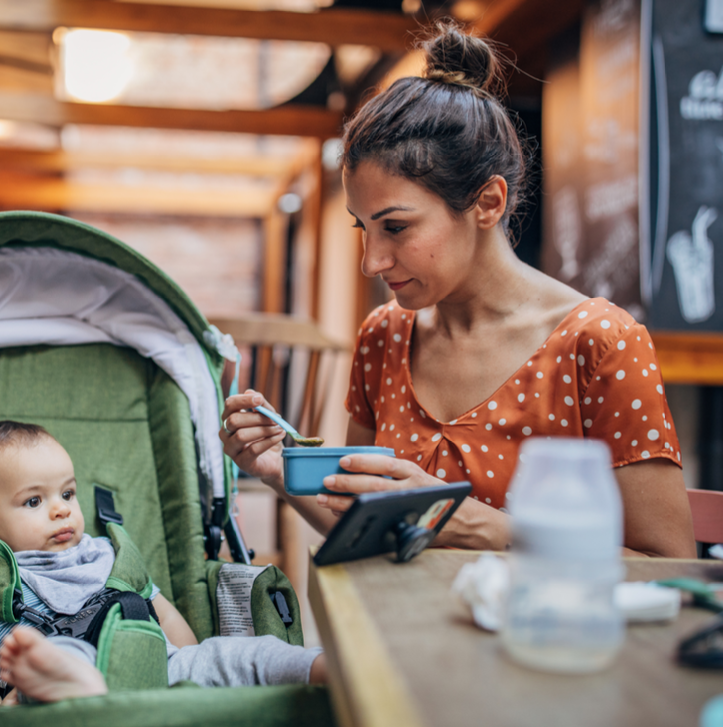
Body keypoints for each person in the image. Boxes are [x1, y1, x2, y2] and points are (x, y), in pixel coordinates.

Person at [220, 22, 696, 559]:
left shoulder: (600, 343)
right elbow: (362, 529)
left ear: (488, 203)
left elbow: (668, 566)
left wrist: (474, 523)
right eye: (363, 228)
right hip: (394, 638)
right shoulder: (385, 336)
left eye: (395, 227)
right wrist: (278, 470)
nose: (372, 261)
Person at [0, 420, 326, 711]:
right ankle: (76, 683)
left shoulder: (107, 555)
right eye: (34, 501)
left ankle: (316, 669)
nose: (62, 509)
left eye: (67, 493)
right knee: (49, 658)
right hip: (67, 689)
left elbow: (168, 621)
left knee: (236, 655)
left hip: (159, 669)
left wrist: (196, 665)